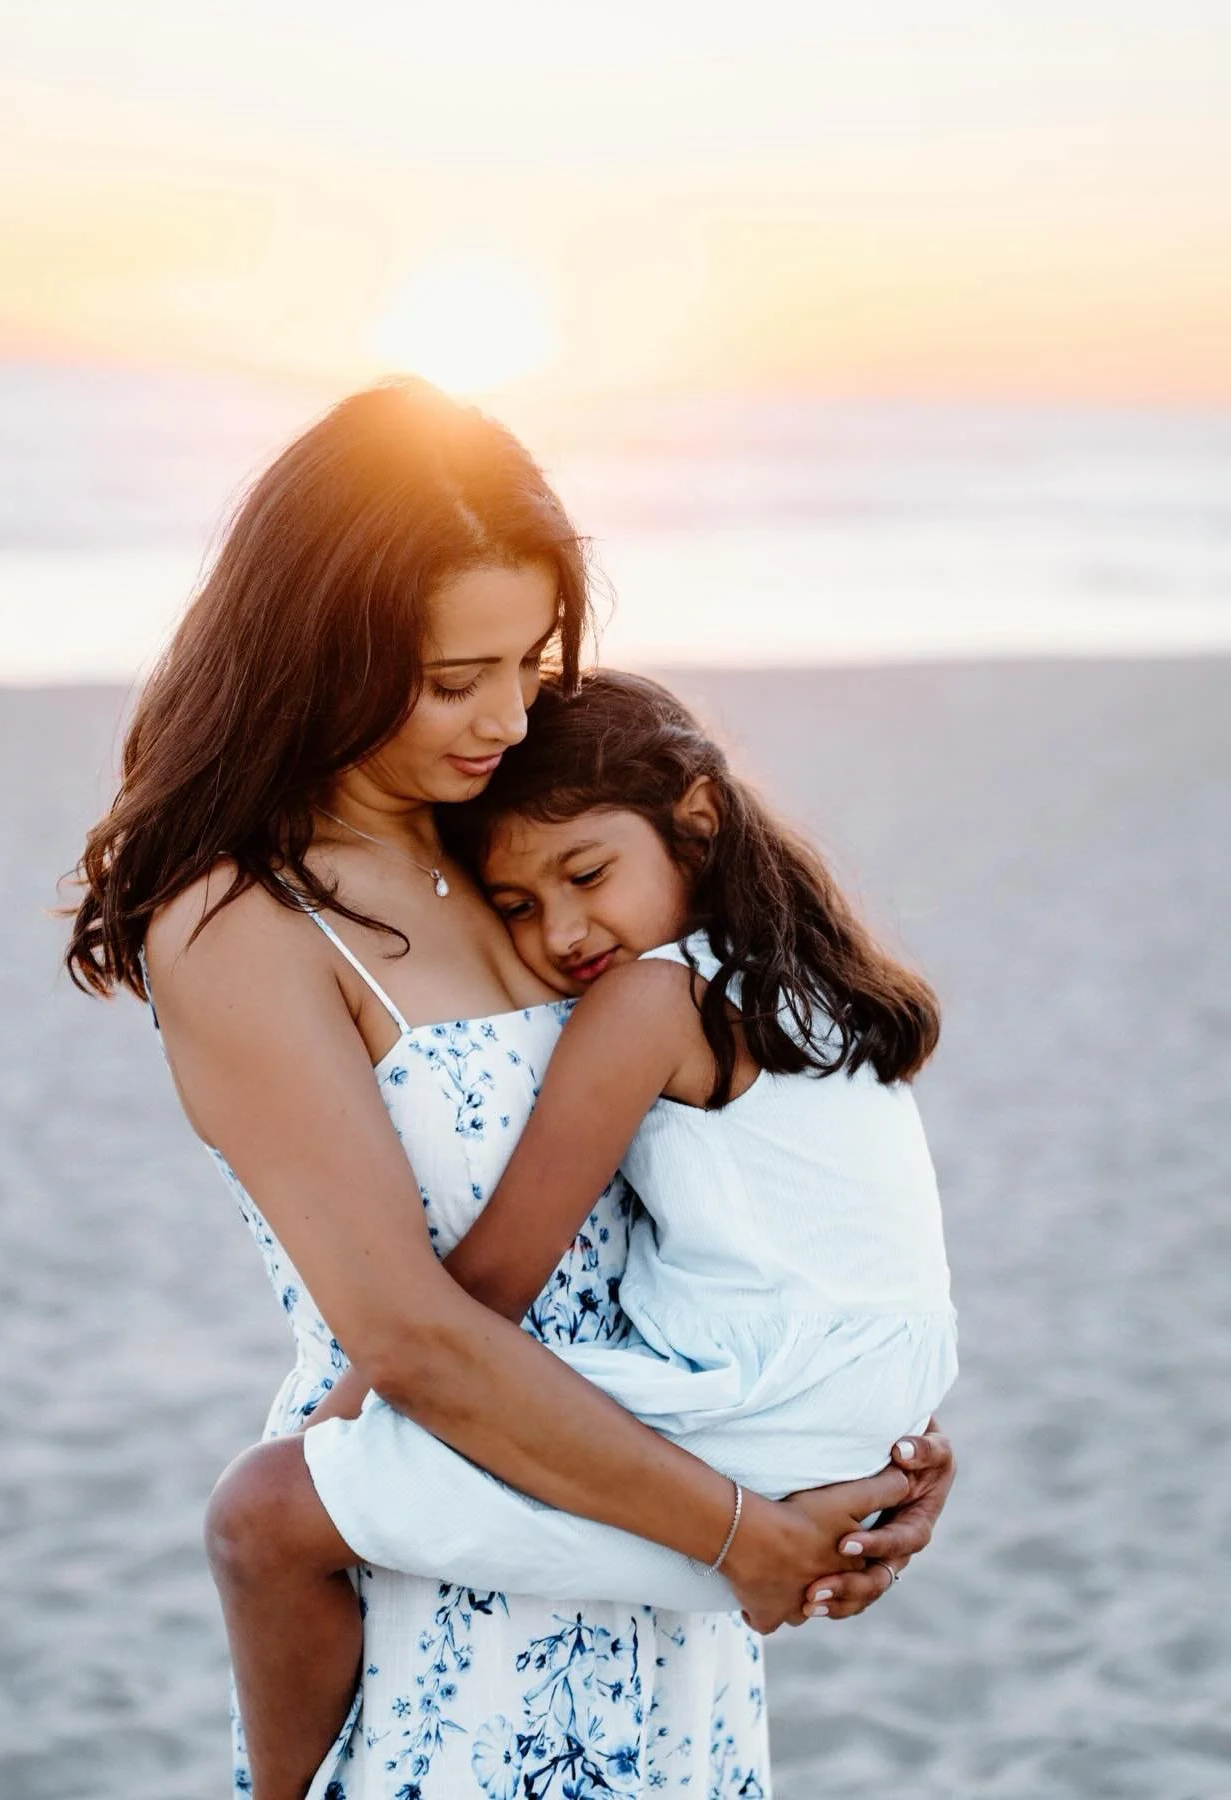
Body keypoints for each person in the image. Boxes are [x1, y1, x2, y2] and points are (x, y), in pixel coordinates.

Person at [65, 379, 956, 1800]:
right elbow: (412, 1335)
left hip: (656, 1546)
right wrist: (745, 1534)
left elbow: (759, 1159)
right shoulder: (248, 923)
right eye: (447, 678)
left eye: (526, 659)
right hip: (457, 1562)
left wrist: (859, 1438)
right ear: (318, 652)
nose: (503, 715)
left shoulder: (526, 846)